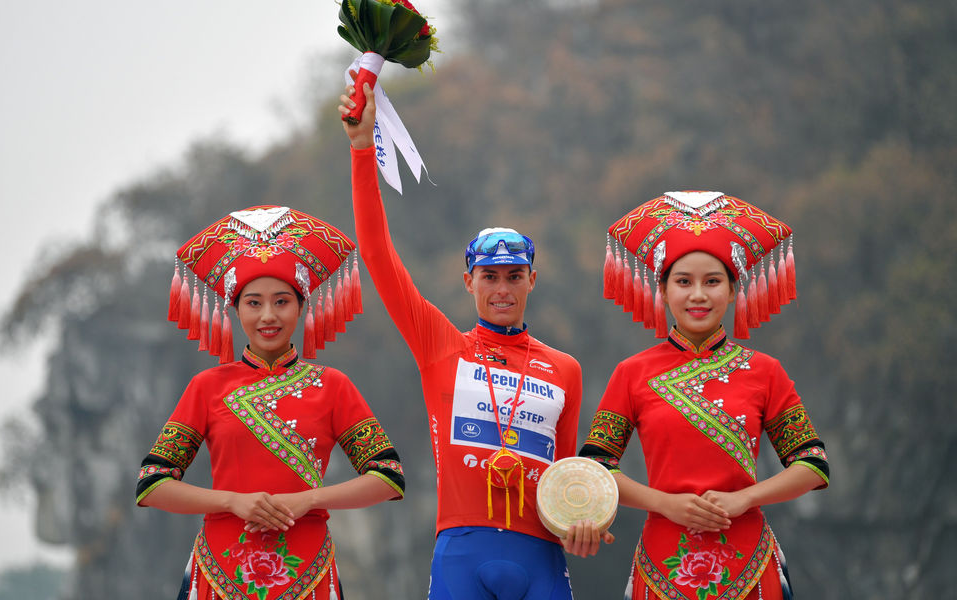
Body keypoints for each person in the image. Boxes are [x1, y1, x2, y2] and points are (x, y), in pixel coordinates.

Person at [340, 82, 600, 600]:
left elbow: (566, 483)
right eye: (490, 277)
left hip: (541, 556)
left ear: (531, 280)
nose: (502, 289)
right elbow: (376, 253)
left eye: (513, 276)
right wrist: (362, 148)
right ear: (468, 282)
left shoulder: (565, 369)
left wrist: (584, 524)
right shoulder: (441, 346)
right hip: (461, 552)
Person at [136, 205, 405, 600]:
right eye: (253, 303)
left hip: (308, 569)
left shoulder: (333, 385)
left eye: (281, 302)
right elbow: (152, 483)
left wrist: (309, 499)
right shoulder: (206, 387)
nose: (268, 316)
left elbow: (388, 476)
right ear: (235, 309)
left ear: (301, 306)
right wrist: (233, 501)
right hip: (219, 570)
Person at [576, 192, 830, 600]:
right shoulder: (631, 373)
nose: (698, 295)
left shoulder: (765, 371)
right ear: (662, 291)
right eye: (683, 282)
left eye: (712, 281)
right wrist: (665, 503)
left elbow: (813, 464)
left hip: (749, 560)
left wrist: (745, 498)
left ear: (732, 291)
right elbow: (596, 467)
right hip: (662, 561)